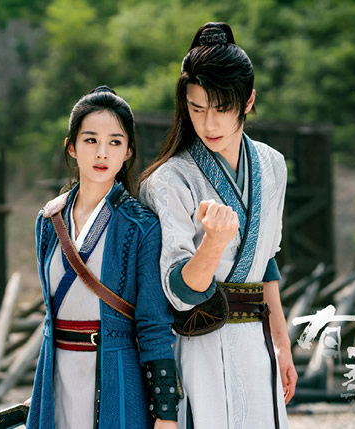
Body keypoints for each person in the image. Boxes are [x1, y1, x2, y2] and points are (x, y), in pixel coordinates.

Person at [139, 22, 297, 428]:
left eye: (222, 108)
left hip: (258, 341)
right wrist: (213, 243)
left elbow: (266, 263)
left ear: (248, 100)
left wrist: (282, 345)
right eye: (197, 109)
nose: (209, 124)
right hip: (199, 344)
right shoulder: (168, 180)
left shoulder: (273, 165)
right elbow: (178, 292)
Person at [27, 86, 180, 429]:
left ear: (128, 151)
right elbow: (51, 316)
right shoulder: (49, 220)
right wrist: (39, 390)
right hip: (57, 377)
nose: (102, 153)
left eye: (114, 142)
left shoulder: (141, 226)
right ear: (71, 146)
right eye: (90, 140)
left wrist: (166, 412)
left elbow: (154, 324)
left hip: (116, 375)